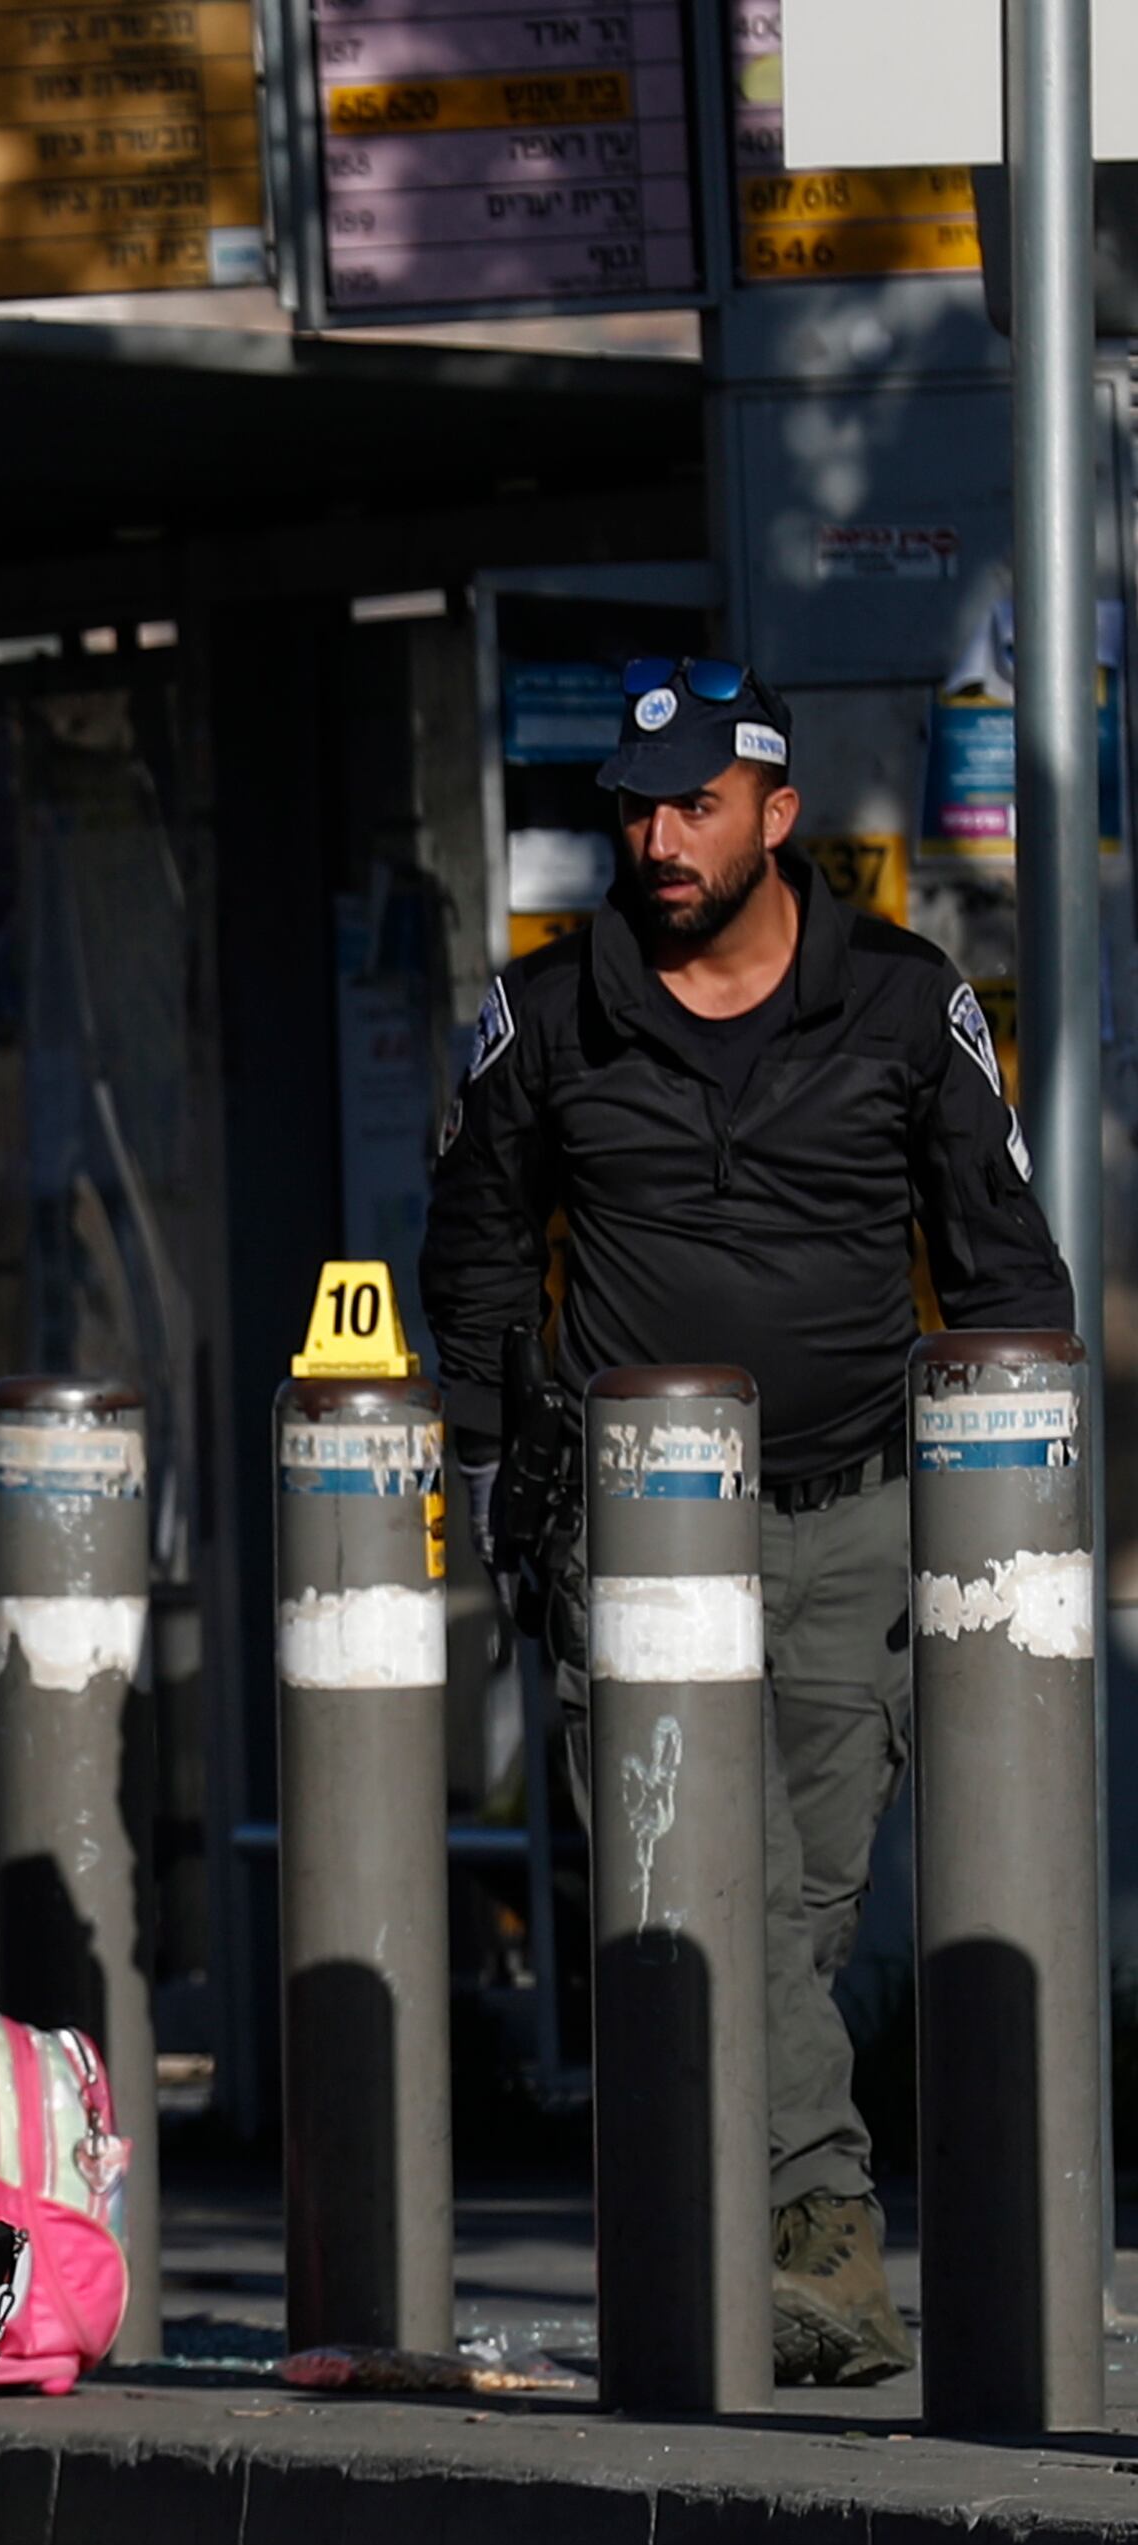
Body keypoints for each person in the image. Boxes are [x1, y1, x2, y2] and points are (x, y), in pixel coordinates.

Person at [423, 661, 1067, 2388]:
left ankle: (728, 2237)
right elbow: (478, 1243)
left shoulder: (902, 1002)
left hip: (859, 1513)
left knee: (798, 1900)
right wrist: (495, 1473)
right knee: (710, 1887)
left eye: (694, 802)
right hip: (641, 1534)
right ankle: (828, 2244)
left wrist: (1024, 1498)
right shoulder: (549, 1018)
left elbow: (1002, 1252)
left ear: (776, 813)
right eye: (634, 806)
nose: (659, 836)